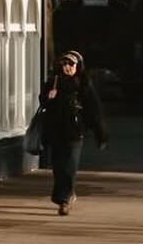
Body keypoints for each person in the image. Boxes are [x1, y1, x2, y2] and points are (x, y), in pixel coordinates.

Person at [38, 49, 107, 214]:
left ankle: (64, 200)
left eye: (71, 64)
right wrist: (49, 97)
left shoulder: (83, 84)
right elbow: (43, 101)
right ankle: (65, 194)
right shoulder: (53, 81)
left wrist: (100, 133)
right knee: (58, 166)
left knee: (69, 166)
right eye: (64, 63)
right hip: (56, 130)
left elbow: (94, 109)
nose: (67, 67)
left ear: (78, 66)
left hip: (75, 132)